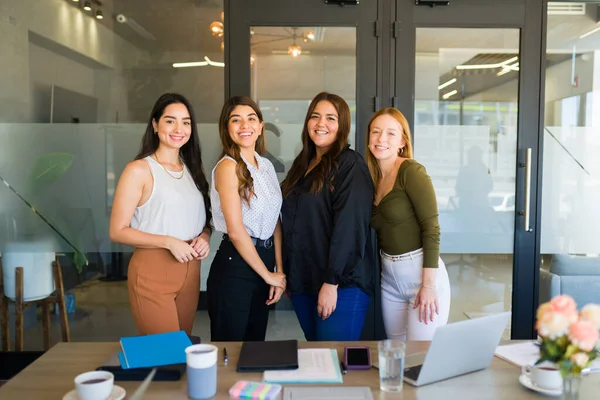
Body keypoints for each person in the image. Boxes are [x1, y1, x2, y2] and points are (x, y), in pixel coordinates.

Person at [109, 93, 212, 335]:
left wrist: (205, 237)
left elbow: (204, 219)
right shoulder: (139, 170)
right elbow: (117, 230)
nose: (179, 129)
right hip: (153, 269)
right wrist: (168, 242)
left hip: (191, 269)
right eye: (170, 121)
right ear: (155, 125)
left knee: (182, 347)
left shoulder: (194, 169)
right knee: (166, 354)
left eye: (186, 122)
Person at [281, 92, 375, 341]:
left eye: (330, 118)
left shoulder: (350, 165)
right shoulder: (302, 165)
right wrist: (292, 275)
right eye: (315, 116)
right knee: (317, 358)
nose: (321, 123)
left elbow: (350, 227)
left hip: (340, 284)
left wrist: (331, 282)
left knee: (333, 360)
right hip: (304, 280)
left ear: (342, 126)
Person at [367, 107, 451, 341]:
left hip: (420, 274)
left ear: (402, 141)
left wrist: (428, 286)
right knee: (396, 352)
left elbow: (432, 229)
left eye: (391, 133)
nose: (381, 139)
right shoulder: (374, 178)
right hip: (390, 279)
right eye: (376, 132)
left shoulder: (411, 171)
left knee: (420, 357)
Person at [207, 96, 286, 342]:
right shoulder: (227, 167)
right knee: (230, 351)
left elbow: (275, 222)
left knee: (255, 348)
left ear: (261, 126)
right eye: (236, 120)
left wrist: (278, 272)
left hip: (263, 261)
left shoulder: (266, 166)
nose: (245, 125)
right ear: (226, 128)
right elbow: (235, 230)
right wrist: (267, 274)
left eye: (251, 119)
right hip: (235, 266)